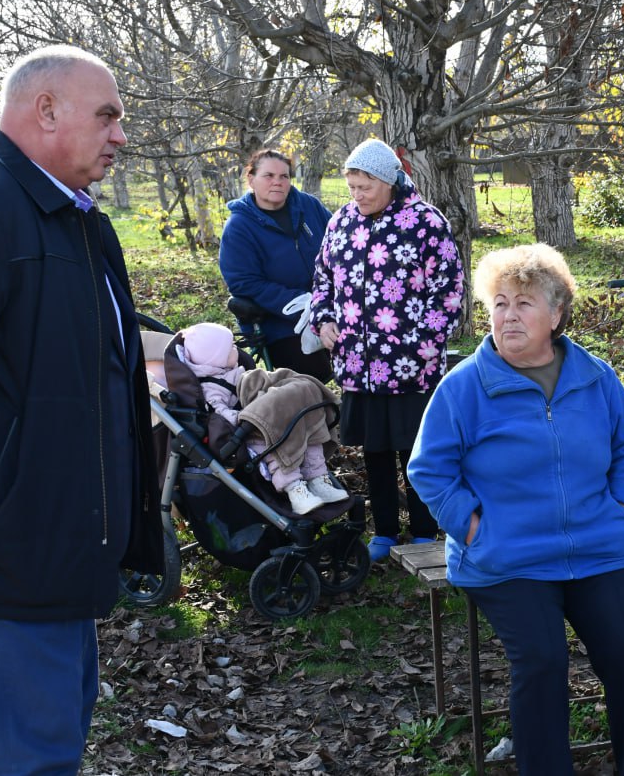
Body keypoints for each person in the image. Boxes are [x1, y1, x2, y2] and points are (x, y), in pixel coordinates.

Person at [0, 45, 163, 774]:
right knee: (37, 760)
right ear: (46, 111)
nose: (121, 135)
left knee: (58, 742)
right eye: (107, 116)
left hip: (63, 545)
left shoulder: (76, 220)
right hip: (9, 547)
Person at [408, 243, 624, 775]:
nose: (508, 315)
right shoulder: (464, 388)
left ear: (556, 314)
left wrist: (621, 508)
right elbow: (428, 470)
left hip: (595, 547)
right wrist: (475, 529)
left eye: (523, 304)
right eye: (498, 303)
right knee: (543, 660)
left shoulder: (597, 377)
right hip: (507, 557)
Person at [306, 138, 463, 561]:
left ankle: (426, 532)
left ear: (390, 180)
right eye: (352, 186)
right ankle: (387, 532)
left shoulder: (426, 222)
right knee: (374, 449)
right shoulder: (341, 222)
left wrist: (423, 348)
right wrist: (324, 321)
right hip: (358, 363)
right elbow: (322, 279)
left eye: (365, 186)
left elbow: (448, 293)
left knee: (415, 448)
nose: (357, 195)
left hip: (412, 364)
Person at [180, 322, 347, 514]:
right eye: (231, 348)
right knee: (276, 445)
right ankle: (295, 490)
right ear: (217, 358)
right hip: (252, 431)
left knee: (304, 427)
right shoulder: (211, 388)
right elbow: (220, 413)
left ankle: (317, 478)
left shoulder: (232, 372)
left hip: (267, 417)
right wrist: (244, 417)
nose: (236, 349)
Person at [219, 149, 334, 380]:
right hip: (281, 323)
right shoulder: (239, 226)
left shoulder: (308, 206)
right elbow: (244, 283)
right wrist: (298, 302)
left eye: (284, 176)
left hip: (329, 306)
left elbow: (340, 244)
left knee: (361, 357)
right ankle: (318, 413)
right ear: (251, 179)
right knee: (312, 376)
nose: (278, 182)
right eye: (269, 176)